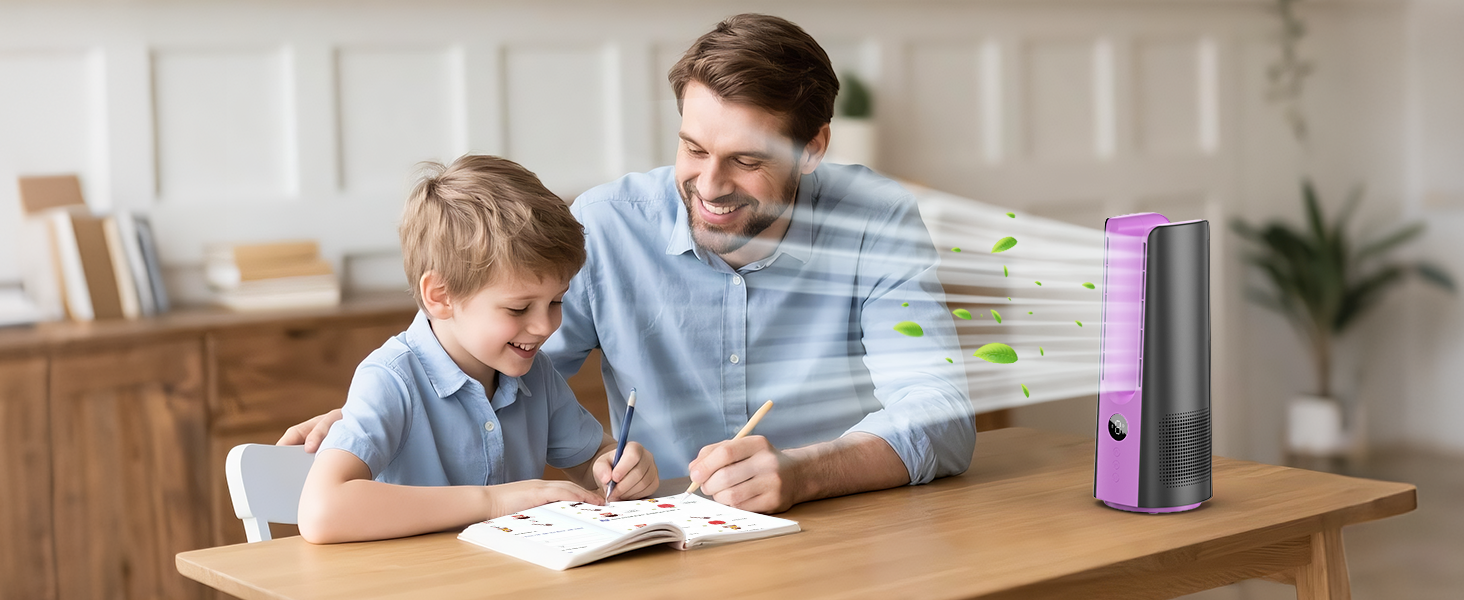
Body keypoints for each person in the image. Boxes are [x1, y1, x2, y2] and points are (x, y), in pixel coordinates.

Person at [283, 14, 972, 515]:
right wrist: (388, 406)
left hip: (842, 534)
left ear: (814, 147)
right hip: (661, 551)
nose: (708, 184)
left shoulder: (875, 218)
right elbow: (502, 357)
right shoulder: (609, 226)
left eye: (748, 160)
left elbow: (940, 415)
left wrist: (804, 473)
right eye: (694, 148)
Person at [296, 155, 659, 544]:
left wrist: (617, 468)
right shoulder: (391, 380)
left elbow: (591, 461)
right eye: (519, 308)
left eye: (557, 301)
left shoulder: (537, 376)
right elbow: (322, 512)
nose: (546, 326)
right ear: (440, 296)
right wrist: (492, 502)